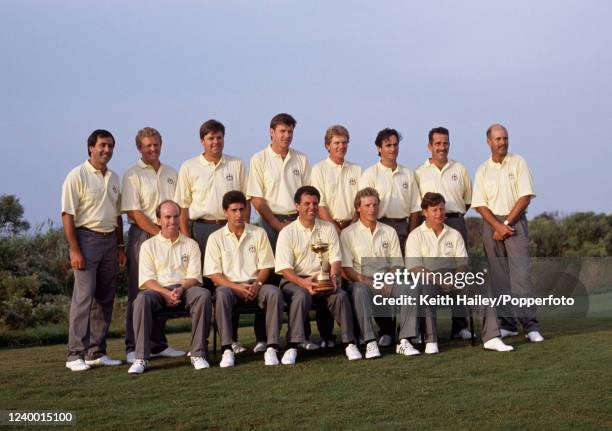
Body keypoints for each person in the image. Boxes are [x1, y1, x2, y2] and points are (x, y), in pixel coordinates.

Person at [405, 192, 514, 353]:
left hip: (455, 279)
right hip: (429, 280)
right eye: (434, 210)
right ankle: (431, 340)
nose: (439, 213)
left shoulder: (454, 234)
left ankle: (492, 338)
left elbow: (462, 263)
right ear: (425, 212)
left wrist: (457, 277)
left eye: (441, 209)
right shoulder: (415, 236)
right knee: (425, 289)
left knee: (480, 287)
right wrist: (439, 280)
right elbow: (415, 268)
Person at [174, 119, 249, 353]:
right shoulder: (189, 167)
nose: (215, 142)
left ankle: (231, 340)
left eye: (219, 137)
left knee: (232, 281)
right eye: (210, 138)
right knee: (204, 289)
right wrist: (188, 238)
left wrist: (242, 227)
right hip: (202, 229)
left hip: (230, 228)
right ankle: (201, 342)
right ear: (202, 141)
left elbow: (246, 202)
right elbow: (183, 207)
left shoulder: (236, 164)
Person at [247, 113, 318, 352]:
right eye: (282, 131)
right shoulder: (259, 159)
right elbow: (257, 199)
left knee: (300, 276)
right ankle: (264, 338)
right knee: (269, 280)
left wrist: (297, 222)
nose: (286, 136)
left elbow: (308, 193)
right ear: (271, 132)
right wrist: (278, 225)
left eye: (290, 132)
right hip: (270, 224)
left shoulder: (302, 159)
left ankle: (301, 335)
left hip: (298, 223)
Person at [472, 124, 543, 343]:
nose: (503, 142)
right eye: (498, 139)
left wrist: (505, 224)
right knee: (499, 279)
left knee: (521, 276)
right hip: (491, 226)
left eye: (505, 138)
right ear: (489, 142)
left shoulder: (518, 162)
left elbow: (525, 197)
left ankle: (530, 326)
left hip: (515, 223)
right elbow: (480, 205)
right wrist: (497, 226)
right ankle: (508, 325)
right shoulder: (482, 170)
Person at [61, 129, 126, 371]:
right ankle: (74, 354)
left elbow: (118, 216)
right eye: (102, 145)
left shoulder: (114, 178)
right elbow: (68, 215)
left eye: (110, 146)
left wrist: (120, 246)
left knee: (105, 298)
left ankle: (96, 352)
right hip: (86, 240)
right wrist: (74, 250)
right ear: (91, 148)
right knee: (84, 297)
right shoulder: (76, 175)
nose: (106, 150)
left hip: (110, 241)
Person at [275, 186, 362, 364]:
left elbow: (336, 259)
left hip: (324, 278)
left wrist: (333, 277)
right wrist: (304, 283)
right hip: (296, 280)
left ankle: (349, 343)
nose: (311, 207)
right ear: (297, 206)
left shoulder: (328, 229)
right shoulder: (287, 232)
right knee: (300, 296)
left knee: (341, 296)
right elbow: (285, 268)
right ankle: (293, 345)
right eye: (307, 203)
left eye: (315, 203)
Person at [121, 127, 185, 364]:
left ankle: (158, 344)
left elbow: (177, 208)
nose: (153, 149)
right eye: (148, 145)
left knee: (165, 286)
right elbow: (135, 212)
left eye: (156, 144)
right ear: (139, 148)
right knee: (139, 293)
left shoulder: (171, 172)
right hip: (144, 236)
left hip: (168, 236)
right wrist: (159, 232)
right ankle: (133, 346)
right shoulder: (132, 174)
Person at [128, 200, 212, 374]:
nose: (172, 221)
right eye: (167, 217)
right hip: (158, 291)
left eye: (175, 216)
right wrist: (166, 292)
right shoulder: (148, 246)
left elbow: (195, 277)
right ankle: (141, 358)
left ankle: (198, 354)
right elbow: (147, 280)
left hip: (185, 289)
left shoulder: (191, 244)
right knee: (141, 299)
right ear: (158, 220)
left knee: (203, 294)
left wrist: (180, 290)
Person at [204, 191, 284, 367]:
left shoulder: (259, 233)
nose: (239, 214)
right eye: (234, 210)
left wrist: (258, 284)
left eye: (242, 209)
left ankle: (272, 347)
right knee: (222, 294)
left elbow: (266, 266)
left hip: (256, 285)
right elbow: (215, 276)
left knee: (274, 292)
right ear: (225, 212)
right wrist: (237, 288)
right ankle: (227, 348)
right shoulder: (215, 238)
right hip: (230, 287)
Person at [359, 127, 421, 346]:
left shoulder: (409, 174)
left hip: (404, 228)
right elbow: (365, 205)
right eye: (388, 145)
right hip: (380, 228)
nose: (392, 149)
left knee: (407, 281)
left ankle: (411, 329)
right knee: (381, 280)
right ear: (379, 148)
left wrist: (412, 235)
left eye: (395, 144)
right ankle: (386, 329)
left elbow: (415, 209)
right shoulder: (369, 174)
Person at [414, 126, 472, 340]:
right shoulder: (419, 173)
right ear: (430, 146)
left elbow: (467, 200)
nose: (442, 147)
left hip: (455, 222)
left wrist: (451, 216)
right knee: (426, 277)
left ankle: (460, 326)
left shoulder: (460, 169)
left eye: (445, 143)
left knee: (459, 273)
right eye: (437, 143)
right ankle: (425, 329)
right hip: (428, 226)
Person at [310, 124, 362, 347]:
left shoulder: (357, 170)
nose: (341, 147)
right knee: (325, 279)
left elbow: (359, 203)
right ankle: (326, 335)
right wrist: (335, 228)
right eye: (336, 143)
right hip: (327, 228)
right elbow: (319, 204)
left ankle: (354, 332)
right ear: (327, 145)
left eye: (344, 143)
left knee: (349, 280)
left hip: (352, 227)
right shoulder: (319, 169)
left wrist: (349, 226)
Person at [340, 187, 408, 359]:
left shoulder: (389, 231)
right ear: (358, 208)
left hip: (387, 281)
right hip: (360, 282)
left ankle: (405, 340)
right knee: (360, 290)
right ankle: (370, 342)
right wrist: (369, 282)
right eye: (367, 205)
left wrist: (390, 279)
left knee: (408, 288)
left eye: (375, 205)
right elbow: (346, 269)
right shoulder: (348, 234)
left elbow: (397, 264)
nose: (372, 209)